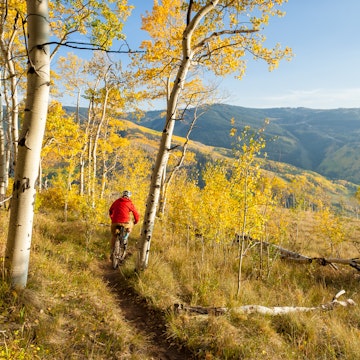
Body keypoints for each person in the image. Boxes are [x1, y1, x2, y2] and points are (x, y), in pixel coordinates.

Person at [109, 190, 140, 255]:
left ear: (122, 195)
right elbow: (136, 213)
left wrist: (112, 218)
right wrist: (136, 221)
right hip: (125, 223)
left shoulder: (116, 201)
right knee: (130, 225)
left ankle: (112, 251)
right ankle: (125, 237)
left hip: (115, 222)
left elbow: (110, 210)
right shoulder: (129, 203)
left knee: (114, 236)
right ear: (129, 197)